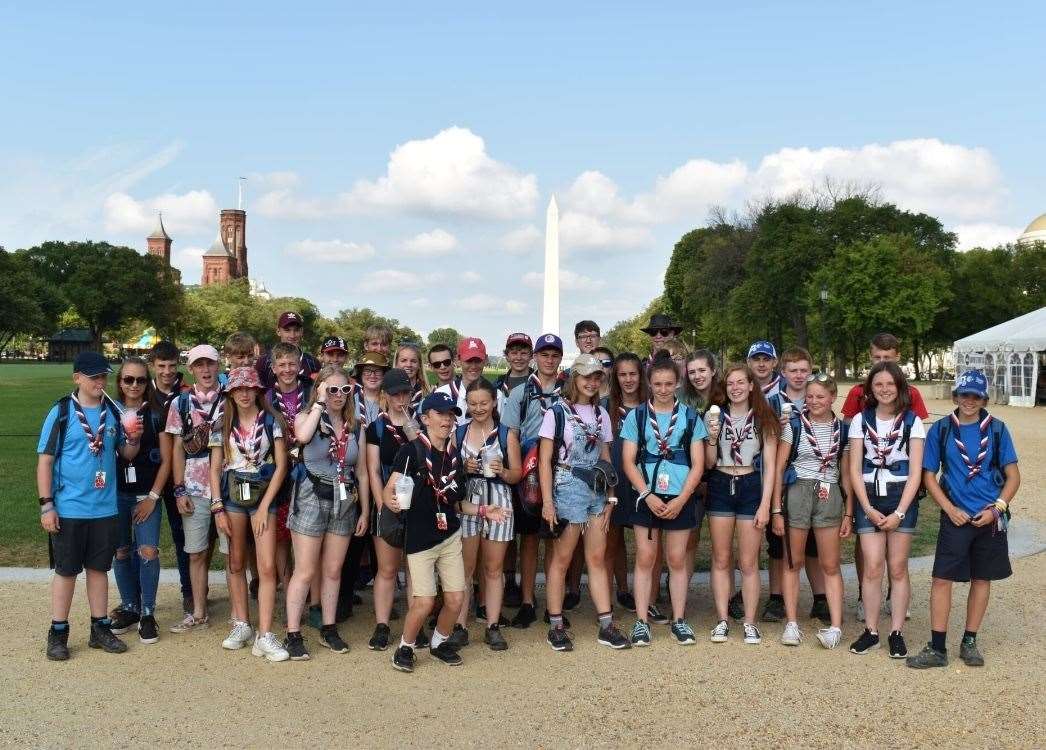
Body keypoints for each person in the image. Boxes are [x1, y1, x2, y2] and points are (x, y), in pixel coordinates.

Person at [386, 392, 507, 673]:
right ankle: (405, 647)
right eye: (440, 414)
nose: (447, 419)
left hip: (449, 534)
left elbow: (456, 501)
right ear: (425, 418)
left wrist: (482, 511)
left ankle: (439, 642)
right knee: (426, 600)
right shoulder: (412, 451)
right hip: (419, 539)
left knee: (455, 598)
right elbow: (389, 488)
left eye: (451, 414)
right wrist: (390, 500)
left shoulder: (454, 457)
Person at [907, 370, 1019, 669]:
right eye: (964, 394)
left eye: (976, 395)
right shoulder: (942, 429)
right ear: (955, 396)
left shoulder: (997, 430)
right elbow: (928, 475)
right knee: (941, 578)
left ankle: (970, 640)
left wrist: (997, 508)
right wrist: (948, 508)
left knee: (982, 578)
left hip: (989, 516)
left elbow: (1013, 476)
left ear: (984, 398)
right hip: (955, 516)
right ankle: (938, 647)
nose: (969, 400)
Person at [40, 352, 143, 660]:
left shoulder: (113, 410)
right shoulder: (60, 412)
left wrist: (134, 439)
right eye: (93, 376)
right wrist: (47, 505)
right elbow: (45, 461)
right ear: (77, 378)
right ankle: (58, 631)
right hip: (69, 507)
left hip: (105, 508)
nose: (100, 381)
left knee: (99, 569)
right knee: (67, 571)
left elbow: (126, 454)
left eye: (103, 376)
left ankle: (100, 628)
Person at [540, 354, 630, 652]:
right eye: (586, 377)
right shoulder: (557, 412)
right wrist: (548, 502)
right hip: (567, 486)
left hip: (597, 488)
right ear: (574, 378)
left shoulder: (602, 414)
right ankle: (555, 624)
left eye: (597, 378)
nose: (592, 383)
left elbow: (606, 456)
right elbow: (544, 461)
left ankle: (606, 623)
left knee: (597, 557)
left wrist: (611, 497)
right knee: (562, 558)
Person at [840, 332, 929, 621]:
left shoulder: (911, 399)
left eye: (887, 359)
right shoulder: (858, 398)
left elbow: (914, 449)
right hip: (867, 483)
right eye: (877, 358)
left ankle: (895, 610)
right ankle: (867, 607)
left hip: (899, 486)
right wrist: (857, 502)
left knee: (897, 562)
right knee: (869, 555)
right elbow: (851, 447)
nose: (884, 387)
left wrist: (903, 509)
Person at [283, 365, 369, 660]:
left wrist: (365, 510)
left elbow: (363, 471)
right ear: (319, 389)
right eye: (332, 389)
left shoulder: (356, 425)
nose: (339, 395)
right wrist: (319, 403)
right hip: (311, 495)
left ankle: (329, 628)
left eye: (345, 389)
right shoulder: (306, 417)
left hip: (345, 498)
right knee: (306, 570)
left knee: (333, 570)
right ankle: (293, 633)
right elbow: (303, 437)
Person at [621, 358, 708, 647]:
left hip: (680, 495)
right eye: (657, 384)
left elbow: (698, 464)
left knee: (676, 559)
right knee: (645, 558)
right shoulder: (637, 417)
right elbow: (628, 461)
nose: (662, 389)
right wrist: (647, 494)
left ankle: (679, 619)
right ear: (649, 384)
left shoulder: (690, 416)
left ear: (678, 384)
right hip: (646, 493)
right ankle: (642, 621)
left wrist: (683, 499)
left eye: (668, 384)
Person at [209, 367, 290, 662]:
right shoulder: (222, 424)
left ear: (258, 390)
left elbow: (281, 466)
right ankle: (241, 623)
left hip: (263, 497)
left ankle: (265, 634)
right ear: (230, 392)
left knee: (267, 568)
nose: (244, 394)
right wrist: (217, 507)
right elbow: (215, 468)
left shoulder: (272, 421)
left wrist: (266, 506)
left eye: (249, 388)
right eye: (237, 389)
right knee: (235, 561)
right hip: (232, 497)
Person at [772, 373, 852, 649]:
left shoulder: (843, 429)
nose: (815, 401)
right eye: (810, 396)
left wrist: (849, 512)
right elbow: (778, 470)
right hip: (798, 492)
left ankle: (836, 626)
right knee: (793, 561)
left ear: (832, 398)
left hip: (828, 494)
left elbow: (846, 474)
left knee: (830, 564)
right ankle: (792, 623)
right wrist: (775, 510)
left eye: (821, 396)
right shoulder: (793, 425)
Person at [704, 364, 780, 645]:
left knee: (748, 561)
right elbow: (709, 462)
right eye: (730, 383)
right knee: (721, 557)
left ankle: (749, 621)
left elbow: (771, 467)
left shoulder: (764, 417)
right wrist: (711, 438)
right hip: (721, 483)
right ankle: (723, 619)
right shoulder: (713, 415)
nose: (735, 388)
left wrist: (766, 505)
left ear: (751, 386)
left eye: (740, 383)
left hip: (750, 484)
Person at [501, 333, 566, 629]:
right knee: (528, 538)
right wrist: (515, 468)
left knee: (555, 536)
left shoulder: (569, 391)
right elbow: (511, 433)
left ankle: (555, 602)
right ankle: (527, 600)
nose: (549, 360)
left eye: (554, 355)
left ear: (560, 358)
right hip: (529, 468)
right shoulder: (521, 392)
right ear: (535, 357)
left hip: (561, 467)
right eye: (544, 355)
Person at [452, 379, 522, 651]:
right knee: (465, 569)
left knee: (494, 569)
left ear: (494, 402)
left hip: (499, 501)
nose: (479, 408)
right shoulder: (458, 434)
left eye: (484, 403)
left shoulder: (507, 434)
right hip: (468, 500)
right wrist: (464, 468)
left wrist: (503, 470)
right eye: (473, 403)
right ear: (466, 405)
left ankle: (492, 625)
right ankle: (460, 625)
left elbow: (517, 474)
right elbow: (449, 472)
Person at [762, 347, 827, 625]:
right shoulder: (771, 401)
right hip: (780, 478)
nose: (799, 375)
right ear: (783, 372)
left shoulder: (817, 398)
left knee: (812, 541)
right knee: (778, 542)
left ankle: (820, 597)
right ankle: (776, 597)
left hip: (811, 478)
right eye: (793, 370)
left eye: (804, 370)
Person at [109, 358, 170, 645]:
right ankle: (129, 606)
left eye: (141, 380)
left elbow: (168, 460)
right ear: (120, 382)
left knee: (148, 551)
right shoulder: (108, 412)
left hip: (147, 494)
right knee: (121, 551)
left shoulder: (156, 413)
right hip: (116, 495)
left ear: (148, 383)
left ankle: (147, 612)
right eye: (128, 379)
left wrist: (153, 497)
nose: (134, 385)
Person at [365, 368, 425, 652]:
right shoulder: (375, 428)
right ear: (385, 397)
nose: (401, 398)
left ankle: (417, 624)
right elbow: (374, 471)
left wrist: (415, 432)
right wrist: (381, 506)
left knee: (415, 567)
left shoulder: (420, 424)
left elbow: (426, 462)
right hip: (388, 501)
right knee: (387, 569)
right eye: (395, 393)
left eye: (405, 392)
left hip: (416, 501)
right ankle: (382, 625)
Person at [167, 344, 225, 635]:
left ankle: (240, 614)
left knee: (232, 553)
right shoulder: (180, 403)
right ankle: (198, 611)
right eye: (199, 365)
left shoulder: (231, 398)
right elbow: (177, 448)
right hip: (193, 484)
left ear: (219, 366)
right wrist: (178, 490)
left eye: (210, 364)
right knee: (196, 552)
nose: (205, 370)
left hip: (228, 484)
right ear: (190, 369)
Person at [148, 340, 193, 613]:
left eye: (172, 366)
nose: (167, 371)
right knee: (144, 539)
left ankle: (190, 591)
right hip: (148, 477)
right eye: (161, 366)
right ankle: (139, 599)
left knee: (183, 537)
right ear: (153, 365)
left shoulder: (187, 394)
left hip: (181, 476)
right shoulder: (142, 392)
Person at [265, 342, 311, 594]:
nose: (287, 369)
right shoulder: (267, 398)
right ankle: (287, 588)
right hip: (280, 473)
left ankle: (312, 597)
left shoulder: (311, 392)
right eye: (281, 364)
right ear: (273, 368)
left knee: (309, 539)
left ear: (299, 365)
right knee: (282, 538)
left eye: (292, 364)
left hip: (309, 471)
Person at [605, 353, 647, 613]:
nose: (628, 379)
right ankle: (615, 593)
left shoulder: (652, 405)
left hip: (645, 482)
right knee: (612, 540)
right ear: (615, 377)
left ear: (641, 376)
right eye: (622, 374)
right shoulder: (605, 408)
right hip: (615, 481)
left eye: (633, 374)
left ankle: (648, 598)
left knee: (647, 543)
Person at [256, 311, 320, 389]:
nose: (292, 335)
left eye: (296, 330)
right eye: (287, 330)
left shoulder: (313, 362)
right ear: (278, 332)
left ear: (301, 332)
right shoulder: (263, 362)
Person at [437, 337, 490, 422]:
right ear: (458, 360)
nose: (473, 366)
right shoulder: (442, 393)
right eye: (468, 361)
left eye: (478, 360)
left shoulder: (497, 395)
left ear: (486, 359)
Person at [393, 342, 429, 415]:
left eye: (413, 361)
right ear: (396, 363)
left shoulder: (428, 394)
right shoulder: (385, 394)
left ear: (419, 365)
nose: (409, 365)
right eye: (404, 360)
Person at [494, 333, 534, 398]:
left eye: (523, 353)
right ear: (507, 356)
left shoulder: (539, 382)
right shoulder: (498, 383)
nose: (519, 358)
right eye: (514, 353)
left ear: (531, 356)